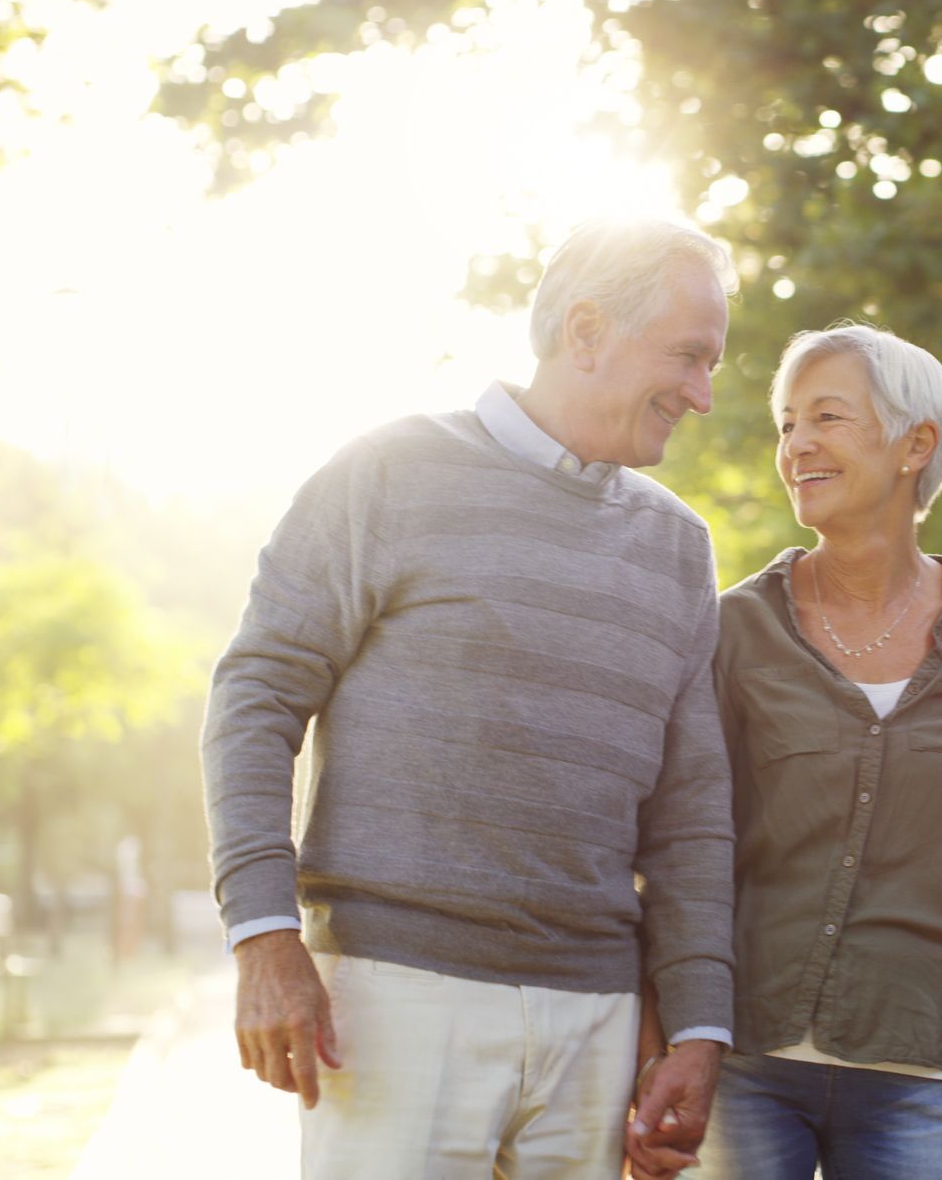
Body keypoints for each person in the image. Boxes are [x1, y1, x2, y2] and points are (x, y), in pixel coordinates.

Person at [201, 216, 739, 1179]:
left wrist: (695, 1026)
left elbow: (692, 815)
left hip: (595, 1016)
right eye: (690, 358)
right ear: (585, 332)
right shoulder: (386, 473)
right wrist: (263, 937)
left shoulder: (678, 545)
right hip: (393, 997)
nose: (703, 395)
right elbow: (257, 694)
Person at [683, 323, 942, 1180]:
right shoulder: (737, 626)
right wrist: (663, 1038)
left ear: (913, 445)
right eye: (786, 423)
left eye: (826, 417)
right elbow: (686, 846)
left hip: (919, 1066)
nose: (796, 445)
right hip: (744, 1061)